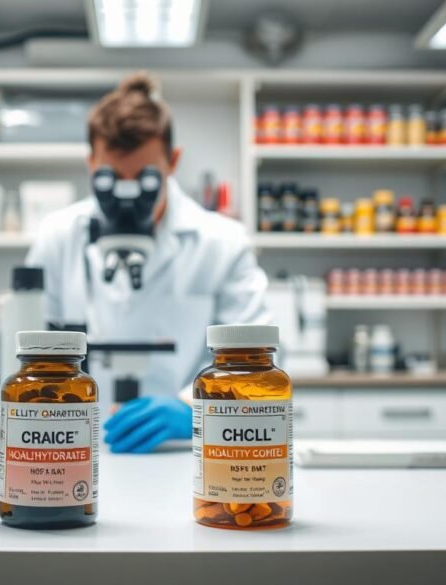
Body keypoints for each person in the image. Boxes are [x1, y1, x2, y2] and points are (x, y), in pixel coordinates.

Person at [25, 72, 269, 453]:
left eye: (143, 179)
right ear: (91, 163)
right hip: (72, 444)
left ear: (173, 161)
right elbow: (30, 347)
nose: (127, 196)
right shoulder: (57, 236)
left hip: (188, 453)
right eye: (113, 177)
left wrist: (195, 412)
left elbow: (258, 361)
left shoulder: (224, 243)